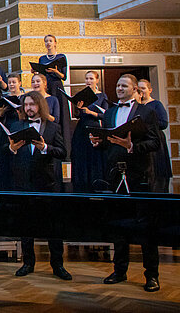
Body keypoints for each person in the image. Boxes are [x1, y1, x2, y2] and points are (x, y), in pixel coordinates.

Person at [91, 74, 161, 292]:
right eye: (118, 85)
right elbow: (111, 142)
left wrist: (133, 147)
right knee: (118, 224)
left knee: (145, 226)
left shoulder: (147, 111)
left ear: (135, 90)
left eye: (124, 86)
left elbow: (155, 142)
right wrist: (99, 142)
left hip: (139, 174)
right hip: (115, 174)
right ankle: (119, 270)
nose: (120, 88)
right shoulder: (110, 112)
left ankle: (152, 275)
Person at [8, 91, 71, 280]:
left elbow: (63, 152)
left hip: (47, 183)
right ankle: (28, 263)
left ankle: (57, 265)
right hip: (24, 184)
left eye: (32, 105)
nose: (28, 108)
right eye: (26, 105)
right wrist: (11, 149)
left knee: (53, 227)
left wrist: (46, 148)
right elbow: (6, 151)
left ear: (40, 106)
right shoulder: (16, 125)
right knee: (26, 226)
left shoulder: (52, 127)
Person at [70, 70, 109, 193]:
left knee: (94, 156)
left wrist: (90, 112)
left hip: (94, 127)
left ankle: (95, 183)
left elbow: (105, 115)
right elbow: (76, 115)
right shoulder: (81, 94)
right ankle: (81, 184)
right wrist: (78, 108)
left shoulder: (102, 96)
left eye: (91, 79)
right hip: (81, 127)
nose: (88, 81)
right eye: (87, 79)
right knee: (80, 155)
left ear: (97, 80)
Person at [138, 79, 171, 193]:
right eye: (139, 89)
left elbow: (163, 123)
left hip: (155, 139)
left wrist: (147, 126)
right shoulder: (136, 106)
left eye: (143, 88)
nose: (141, 91)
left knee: (156, 171)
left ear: (150, 90)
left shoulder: (156, 104)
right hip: (142, 141)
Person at [40, 35, 71, 152]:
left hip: (57, 86)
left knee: (60, 114)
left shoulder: (61, 57)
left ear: (55, 43)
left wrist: (55, 71)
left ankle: (64, 147)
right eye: (46, 41)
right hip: (46, 87)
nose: (48, 43)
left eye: (50, 41)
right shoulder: (42, 58)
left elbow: (64, 76)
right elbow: (42, 75)